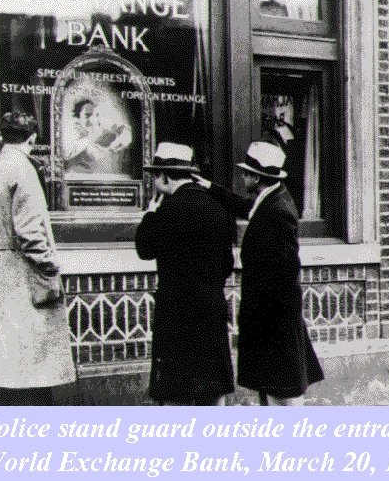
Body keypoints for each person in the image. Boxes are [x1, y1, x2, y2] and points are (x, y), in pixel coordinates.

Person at [196, 141, 324, 405]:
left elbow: (286, 270)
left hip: (275, 317)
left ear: (256, 177)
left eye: (245, 173)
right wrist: (209, 187)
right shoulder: (270, 199)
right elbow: (244, 208)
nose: (242, 177)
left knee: (282, 391)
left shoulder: (278, 212)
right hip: (272, 314)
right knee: (274, 384)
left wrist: (269, 315)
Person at [0, 111, 76, 405]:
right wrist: (50, 268)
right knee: (32, 370)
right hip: (22, 277)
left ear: (0, 138)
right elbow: (31, 233)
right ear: (32, 139)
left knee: (2, 365)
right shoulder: (24, 171)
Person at [135, 142, 236, 406]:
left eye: (156, 176)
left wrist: (149, 213)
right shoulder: (219, 209)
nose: (155, 183)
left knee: (176, 391)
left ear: (165, 176)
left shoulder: (166, 211)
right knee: (212, 391)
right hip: (211, 309)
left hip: (176, 314)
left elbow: (144, 249)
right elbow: (228, 263)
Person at [62, 98, 132, 177]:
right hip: (77, 177)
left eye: (93, 115)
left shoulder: (99, 128)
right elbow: (66, 154)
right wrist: (89, 141)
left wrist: (116, 145)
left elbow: (125, 130)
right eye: (87, 115)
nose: (91, 119)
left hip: (103, 176)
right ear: (77, 118)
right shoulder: (71, 133)